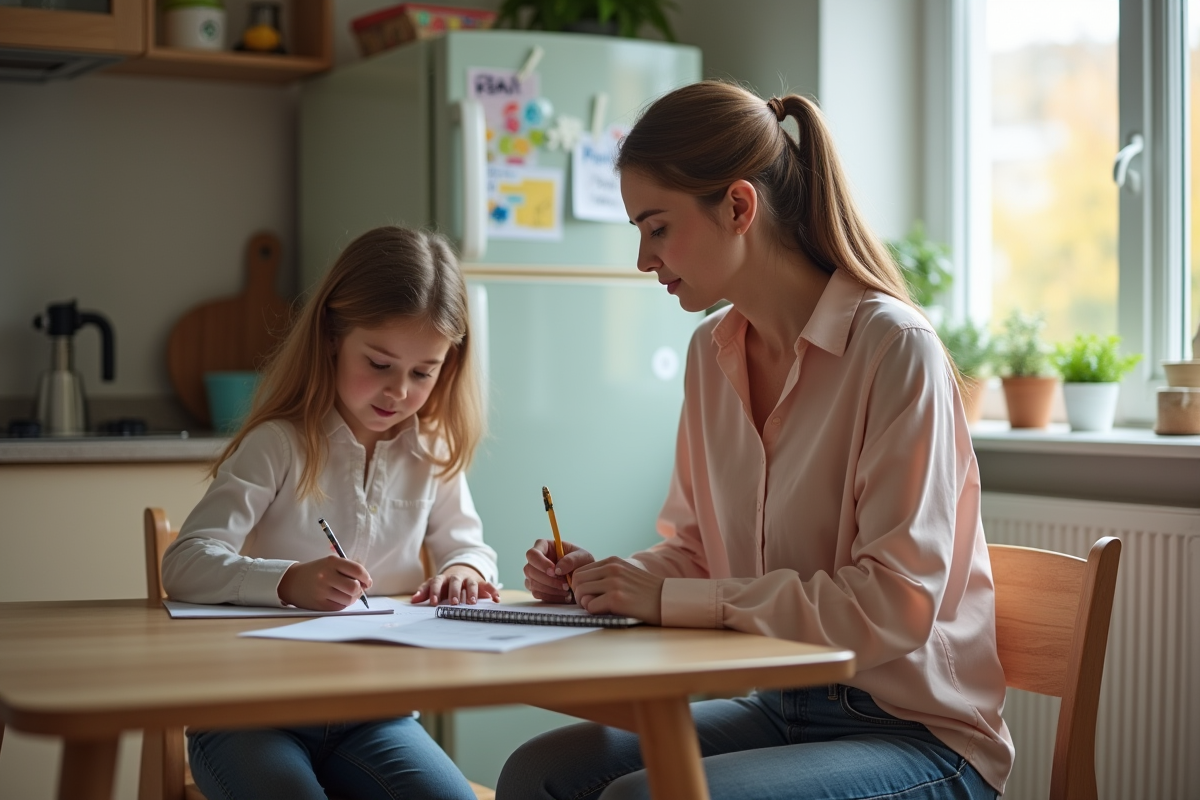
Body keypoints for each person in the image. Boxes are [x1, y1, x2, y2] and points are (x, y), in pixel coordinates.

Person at [497, 81, 1013, 800]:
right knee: (538, 775)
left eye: (656, 228)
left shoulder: (895, 349)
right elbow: (698, 553)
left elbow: (895, 603)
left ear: (739, 207)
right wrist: (609, 583)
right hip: (780, 707)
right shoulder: (710, 353)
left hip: (916, 734)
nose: (644, 259)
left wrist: (671, 598)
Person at [163, 225, 499, 800]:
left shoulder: (432, 453)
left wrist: (464, 572)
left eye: (423, 372)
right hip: (248, 714)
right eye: (380, 363)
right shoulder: (278, 444)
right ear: (331, 338)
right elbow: (185, 562)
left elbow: (469, 547)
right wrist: (289, 581)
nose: (399, 391)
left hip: (376, 716)